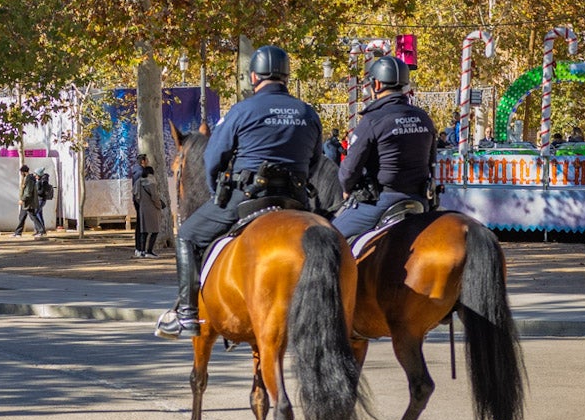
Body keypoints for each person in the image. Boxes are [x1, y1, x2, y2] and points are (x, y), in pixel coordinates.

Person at [156, 45, 322, 339]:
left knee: (188, 235)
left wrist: (215, 191)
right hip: (296, 201)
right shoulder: (307, 112)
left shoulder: (242, 110)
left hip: (247, 198)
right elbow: (316, 160)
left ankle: (187, 315)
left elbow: (213, 158)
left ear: (254, 76)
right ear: (286, 75)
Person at [333, 55, 437, 240]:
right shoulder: (424, 118)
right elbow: (432, 162)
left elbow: (349, 169)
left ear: (377, 85)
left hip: (382, 201)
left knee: (329, 238)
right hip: (420, 201)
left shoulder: (373, 119)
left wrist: (346, 187)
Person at [133, 165, 165, 257]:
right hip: (152, 209)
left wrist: (141, 203)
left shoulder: (138, 182)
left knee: (144, 230)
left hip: (142, 208)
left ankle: (142, 251)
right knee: (155, 230)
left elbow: (135, 195)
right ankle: (149, 251)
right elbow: (155, 197)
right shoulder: (151, 182)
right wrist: (159, 205)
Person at [10, 165, 46, 238]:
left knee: (32, 216)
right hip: (27, 202)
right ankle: (18, 232)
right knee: (23, 216)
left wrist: (22, 199)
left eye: (21, 172)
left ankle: (41, 231)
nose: (21, 174)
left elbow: (28, 192)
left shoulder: (29, 179)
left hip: (28, 202)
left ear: (23, 172)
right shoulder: (28, 178)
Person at [131, 152, 148, 255]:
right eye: (147, 160)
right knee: (143, 225)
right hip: (142, 201)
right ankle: (141, 249)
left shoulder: (135, 171)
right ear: (143, 161)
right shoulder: (141, 173)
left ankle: (138, 248)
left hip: (137, 201)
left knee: (139, 224)